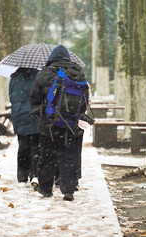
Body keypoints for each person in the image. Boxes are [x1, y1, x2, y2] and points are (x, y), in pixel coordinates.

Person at [30, 45, 88, 201]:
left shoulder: (43, 74)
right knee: (68, 156)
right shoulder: (78, 74)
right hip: (70, 125)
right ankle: (68, 190)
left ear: (51, 58)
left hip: (48, 125)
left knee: (47, 156)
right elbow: (84, 102)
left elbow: (34, 99)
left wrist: (42, 112)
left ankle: (45, 189)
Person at [9, 68, 40, 189]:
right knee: (36, 147)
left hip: (19, 116)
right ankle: (35, 174)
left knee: (23, 147)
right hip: (35, 115)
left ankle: (22, 177)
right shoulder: (38, 76)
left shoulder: (14, 77)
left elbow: (11, 97)